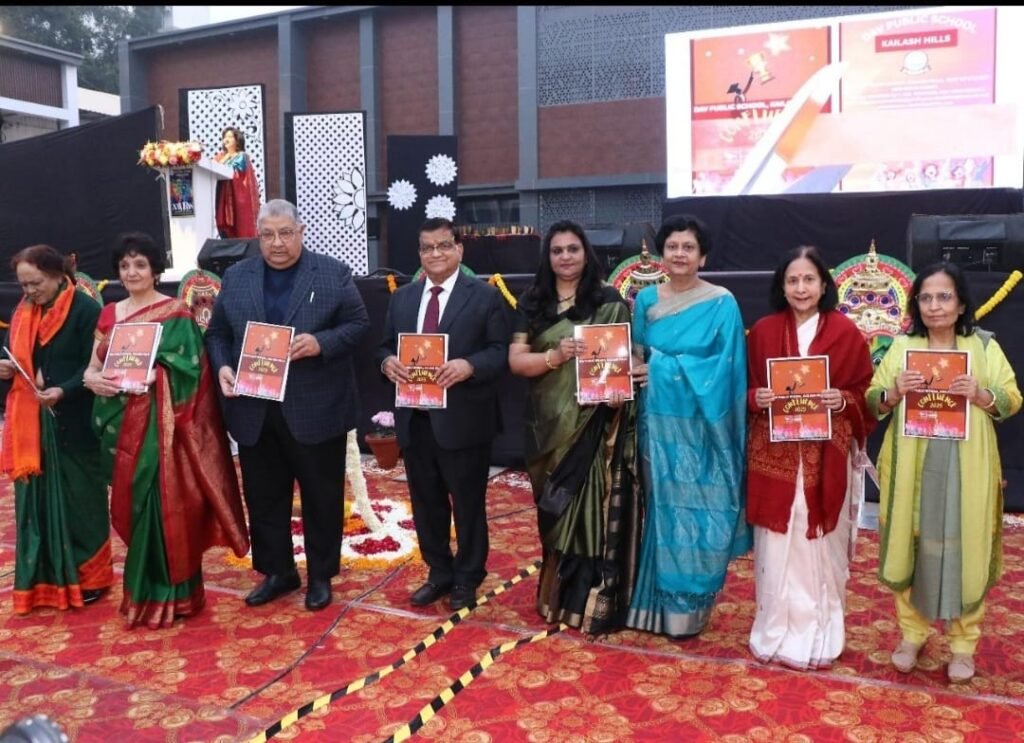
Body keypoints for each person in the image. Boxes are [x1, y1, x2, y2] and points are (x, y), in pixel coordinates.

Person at [206, 199, 370, 611]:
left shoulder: (332, 273)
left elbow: (359, 325)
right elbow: (218, 334)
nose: (276, 243)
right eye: (267, 235)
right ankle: (278, 572)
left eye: (285, 233)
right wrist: (223, 366)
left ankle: (320, 576)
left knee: (322, 496)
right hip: (255, 408)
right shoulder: (237, 277)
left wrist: (320, 343)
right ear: (257, 236)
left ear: (301, 232)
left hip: (316, 408)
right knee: (264, 497)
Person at [83, 233, 249, 629]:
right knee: (134, 508)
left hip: (164, 430)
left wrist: (156, 377)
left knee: (164, 505)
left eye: (140, 265)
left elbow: (193, 371)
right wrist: (92, 380)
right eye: (125, 266)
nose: (132, 272)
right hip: (119, 424)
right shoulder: (110, 314)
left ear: (155, 270)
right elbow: (92, 367)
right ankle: (143, 594)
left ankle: (175, 596)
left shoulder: (175, 313)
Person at [867, 262, 1021, 683]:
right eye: (926, 298)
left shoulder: (983, 346)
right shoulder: (902, 347)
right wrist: (894, 391)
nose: (934, 306)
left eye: (944, 297)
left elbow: (1011, 397)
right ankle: (911, 636)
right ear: (916, 304)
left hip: (967, 464)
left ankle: (963, 644)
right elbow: (873, 399)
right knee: (910, 542)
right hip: (912, 462)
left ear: (961, 304)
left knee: (965, 548)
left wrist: (982, 394)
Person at [508, 220, 641, 635]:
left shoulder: (608, 302)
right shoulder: (533, 301)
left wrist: (618, 392)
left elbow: (622, 364)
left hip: (592, 423)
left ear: (586, 253)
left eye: (573, 249)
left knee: (588, 510)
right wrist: (556, 356)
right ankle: (553, 595)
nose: (565, 257)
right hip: (546, 425)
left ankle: (585, 600)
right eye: (557, 250)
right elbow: (516, 362)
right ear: (547, 256)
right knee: (552, 510)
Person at [745, 246, 875, 669]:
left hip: (825, 458)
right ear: (781, 287)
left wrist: (842, 400)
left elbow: (866, 394)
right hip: (775, 456)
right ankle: (773, 631)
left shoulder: (845, 332)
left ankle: (820, 637)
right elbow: (742, 389)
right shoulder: (763, 332)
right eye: (792, 280)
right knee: (776, 546)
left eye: (808, 280)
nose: (801, 288)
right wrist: (757, 397)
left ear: (823, 285)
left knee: (815, 544)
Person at [625, 214, 751, 638]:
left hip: (704, 428)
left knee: (703, 507)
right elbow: (637, 357)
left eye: (689, 247)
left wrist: (663, 368)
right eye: (673, 246)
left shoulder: (722, 303)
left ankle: (690, 608)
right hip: (658, 424)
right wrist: (634, 368)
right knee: (661, 509)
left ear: (703, 256)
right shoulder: (646, 300)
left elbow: (726, 368)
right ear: (662, 253)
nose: (680, 254)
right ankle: (651, 608)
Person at [378, 217, 509, 611]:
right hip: (416, 420)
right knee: (426, 504)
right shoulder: (402, 298)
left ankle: (468, 577)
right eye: (427, 247)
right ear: (419, 253)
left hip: (464, 422)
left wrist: (469, 366)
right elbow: (383, 346)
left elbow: (501, 352)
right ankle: (439, 572)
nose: (435, 253)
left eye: (443, 245)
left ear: (459, 249)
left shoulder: (485, 296)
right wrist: (386, 363)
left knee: (468, 506)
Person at [0, 245, 113, 614]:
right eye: (23, 285)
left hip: (75, 422)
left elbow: (94, 366)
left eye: (36, 283)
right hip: (32, 424)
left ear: (57, 275)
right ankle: (44, 579)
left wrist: (63, 390)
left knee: (83, 503)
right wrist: (6, 368)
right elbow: (13, 353)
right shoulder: (23, 312)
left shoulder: (85, 310)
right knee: (38, 505)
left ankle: (92, 579)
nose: (30, 291)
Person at [214, 125, 261, 239]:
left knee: (240, 224)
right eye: (225, 137)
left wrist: (226, 160)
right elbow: (214, 168)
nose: (226, 139)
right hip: (222, 194)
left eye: (230, 137)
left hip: (237, 197)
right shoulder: (220, 156)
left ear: (237, 140)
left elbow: (235, 173)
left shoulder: (241, 156)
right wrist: (225, 158)